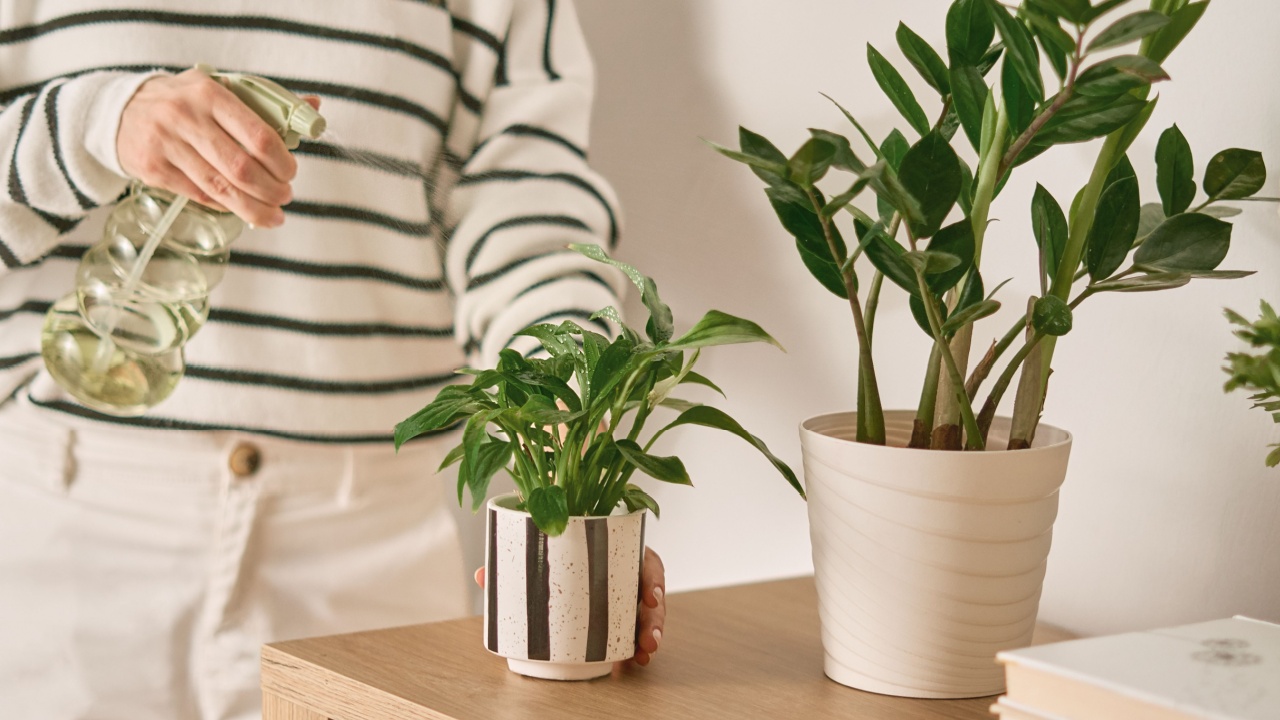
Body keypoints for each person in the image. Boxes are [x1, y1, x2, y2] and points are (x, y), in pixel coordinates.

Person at [0, 1, 666, 718]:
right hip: (72, 521)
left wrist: (571, 430)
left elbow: (526, 212)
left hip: (370, 554)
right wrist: (93, 124)